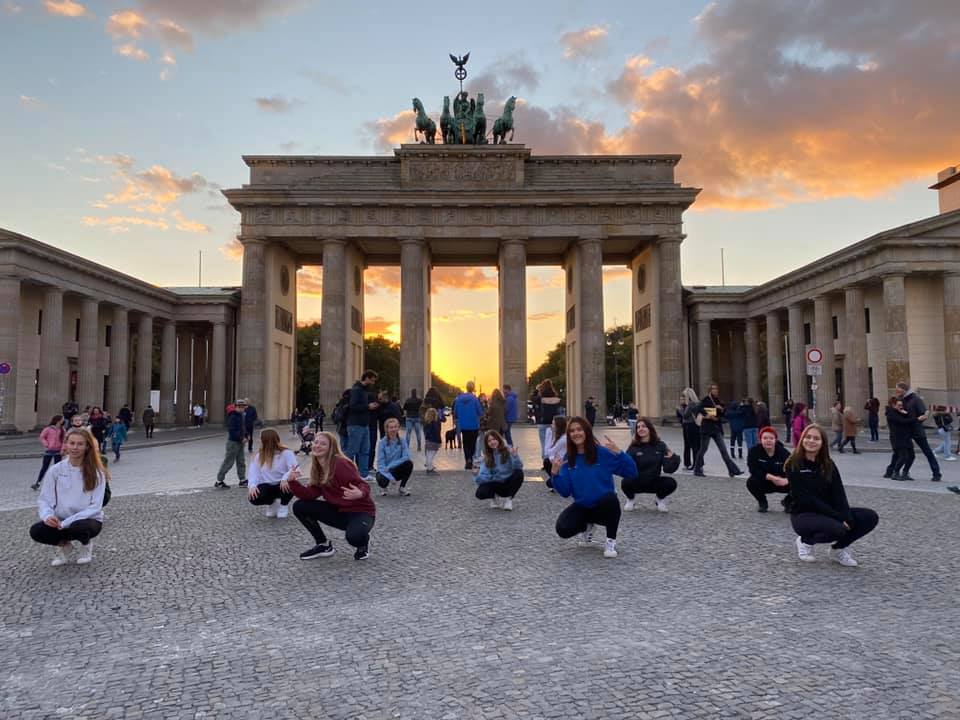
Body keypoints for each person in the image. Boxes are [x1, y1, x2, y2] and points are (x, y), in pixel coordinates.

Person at [787, 424, 879, 566]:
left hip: (828, 512)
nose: (811, 441)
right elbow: (808, 499)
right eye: (808, 437)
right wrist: (838, 517)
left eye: (816, 438)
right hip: (803, 514)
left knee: (869, 517)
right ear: (802, 439)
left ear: (822, 443)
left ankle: (838, 549)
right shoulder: (793, 464)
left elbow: (838, 493)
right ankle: (805, 541)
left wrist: (847, 516)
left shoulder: (828, 464)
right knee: (838, 529)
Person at [549, 417, 638, 559]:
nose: (576, 433)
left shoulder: (602, 453)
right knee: (563, 529)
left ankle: (610, 541)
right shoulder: (568, 458)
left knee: (611, 499)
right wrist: (554, 474)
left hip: (604, 505)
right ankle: (587, 526)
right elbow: (565, 492)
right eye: (572, 431)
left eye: (579, 429)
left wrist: (620, 453)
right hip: (583, 506)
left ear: (587, 432)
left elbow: (632, 473)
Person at [283, 431, 375, 561]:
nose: (317, 446)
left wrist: (360, 493)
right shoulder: (319, 468)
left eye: (323, 444)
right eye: (316, 442)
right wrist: (292, 482)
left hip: (360, 511)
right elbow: (309, 495)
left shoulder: (341, 464)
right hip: (339, 511)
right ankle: (323, 545)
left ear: (331, 448)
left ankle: (363, 543)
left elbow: (362, 484)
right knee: (300, 506)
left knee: (354, 538)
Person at [30, 427, 108, 566]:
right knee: (36, 531)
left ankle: (86, 544)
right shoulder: (56, 470)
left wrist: (68, 522)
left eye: (80, 444)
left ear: (87, 447)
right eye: (72, 443)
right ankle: (64, 544)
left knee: (79, 527)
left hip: (87, 520)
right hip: (60, 519)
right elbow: (45, 499)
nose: (75, 447)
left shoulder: (97, 473)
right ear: (66, 444)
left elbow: (95, 506)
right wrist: (47, 516)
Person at [623, 417, 679, 513]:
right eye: (638, 427)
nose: (641, 429)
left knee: (671, 483)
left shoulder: (660, 445)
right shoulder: (633, 447)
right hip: (637, 481)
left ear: (650, 428)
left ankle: (660, 499)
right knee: (625, 482)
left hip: (654, 481)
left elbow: (668, 469)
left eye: (643, 426)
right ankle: (630, 499)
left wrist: (674, 459)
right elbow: (626, 465)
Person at [692, 384, 743, 477]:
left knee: (723, 450)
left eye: (716, 389)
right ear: (710, 390)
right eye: (713, 389)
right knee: (703, 449)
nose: (715, 391)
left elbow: (722, 413)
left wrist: (721, 409)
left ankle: (733, 470)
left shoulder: (718, 400)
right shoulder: (706, 399)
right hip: (706, 429)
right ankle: (697, 469)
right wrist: (708, 415)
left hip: (716, 428)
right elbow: (698, 408)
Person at [247, 428, 298, 518]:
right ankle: (272, 502)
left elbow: (295, 469)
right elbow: (253, 473)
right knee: (253, 497)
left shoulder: (286, 453)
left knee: (290, 485)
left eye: (260, 439)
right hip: (267, 485)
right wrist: (252, 486)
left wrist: (285, 478)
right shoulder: (259, 456)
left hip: (282, 484)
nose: (259, 441)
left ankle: (283, 505)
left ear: (266, 441)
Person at [896, 382, 941, 481]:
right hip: (906, 431)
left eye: (898, 389)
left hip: (916, 430)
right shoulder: (901, 400)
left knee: (927, 452)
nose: (896, 391)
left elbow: (923, 415)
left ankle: (936, 473)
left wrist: (917, 420)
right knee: (907, 453)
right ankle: (903, 472)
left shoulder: (916, 400)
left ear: (904, 389)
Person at [474, 430, 524, 510]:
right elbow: (484, 475)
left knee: (519, 473)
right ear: (487, 444)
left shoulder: (508, 450)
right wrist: (477, 475)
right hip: (496, 483)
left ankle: (509, 499)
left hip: (508, 481)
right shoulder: (487, 457)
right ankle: (493, 497)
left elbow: (518, 466)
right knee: (480, 493)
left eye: (494, 439)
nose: (492, 442)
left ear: (499, 439)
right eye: (489, 441)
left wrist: (515, 456)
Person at [344, 370, 379, 480]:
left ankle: (363, 475)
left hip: (364, 424)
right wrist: (368, 407)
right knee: (352, 451)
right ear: (367, 378)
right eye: (372, 380)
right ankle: (345, 474)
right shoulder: (356, 390)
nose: (373, 383)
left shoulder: (364, 391)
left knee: (365, 450)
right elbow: (352, 407)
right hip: (355, 425)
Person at [745, 426, 790, 512]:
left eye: (771, 438)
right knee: (751, 482)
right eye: (765, 438)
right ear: (760, 439)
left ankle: (788, 501)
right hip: (764, 481)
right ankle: (762, 502)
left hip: (782, 482)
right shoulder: (754, 451)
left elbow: (793, 469)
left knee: (799, 482)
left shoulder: (784, 453)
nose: (768, 440)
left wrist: (786, 480)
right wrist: (772, 478)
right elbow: (753, 470)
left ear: (775, 440)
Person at [374, 417, 413, 496]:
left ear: (398, 428)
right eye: (391, 427)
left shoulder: (402, 441)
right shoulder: (382, 443)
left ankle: (402, 488)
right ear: (387, 429)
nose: (393, 429)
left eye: (395, 427)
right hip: (384, 470)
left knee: (409, 463)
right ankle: (384, 488)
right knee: (382, 481)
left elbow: (406, 457)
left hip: (395, 469)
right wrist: (390, 477)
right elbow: (380, 463)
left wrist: (391, 466)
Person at [215, 400, 247, 489]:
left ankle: (242, 480)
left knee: (241, 461)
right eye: (240, 407)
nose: (242, 408)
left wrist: (246, 436)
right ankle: (219, 481)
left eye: (243, 407)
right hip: (233, 443)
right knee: (228, 462)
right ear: (236, 407)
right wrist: (241, 438)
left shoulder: (240, 416)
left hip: (240, 442)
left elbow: (242, 428)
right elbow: (232, 431)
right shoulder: (233, 417)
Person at [453, 381, 483, 470]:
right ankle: (471, 458)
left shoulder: (458, 398)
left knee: (465, 443)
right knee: (473, 443)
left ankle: (468, 460)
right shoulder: (474, 398)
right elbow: (480, 412)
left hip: (464, 425)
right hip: (474, 425)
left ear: (466, 387)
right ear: (473, 388)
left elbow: (455, 412)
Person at [883, 397, 916, 481]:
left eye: (902, 405)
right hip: (897, 438)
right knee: (903, 456)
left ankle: (905, 472)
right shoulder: (891, 413)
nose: (901, 406)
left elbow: (907, 420)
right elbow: (902, 421)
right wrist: (915, 419)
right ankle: (895, 473)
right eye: (899, 405)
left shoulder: (901, 412)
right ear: (893, 405)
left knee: (911, 456)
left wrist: (906, 414)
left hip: (906, 437)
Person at [33, 415, 64, 491]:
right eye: (62, 419)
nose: (63, 421)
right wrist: (47, 444)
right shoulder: (48, 429)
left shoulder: (62, 430)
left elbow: (64, 440)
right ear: (58, 420)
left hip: (58, 451)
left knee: (58, 468)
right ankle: (38, 482)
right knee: (44, 467)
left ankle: (57, 484)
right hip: (49, 450)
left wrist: (63, 449)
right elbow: (42, 437)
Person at [536, 380, 562, 456]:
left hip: (543, 422)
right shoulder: (556, 398)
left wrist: (537, 389)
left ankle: (545, 460)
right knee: (553, 441)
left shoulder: (540, 398)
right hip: (554, 423)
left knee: (544, 442)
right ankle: (552, 458)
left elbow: (532, 398)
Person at [542, 415, 568, 490]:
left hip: (563, 463)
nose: (551, 425)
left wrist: (549, 434)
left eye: (553, 424)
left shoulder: (563, 438)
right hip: (557, 460)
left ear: (558, 426)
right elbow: (548, 452)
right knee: (546, 461)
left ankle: (557, 481)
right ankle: (556, 481)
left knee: (549, 483)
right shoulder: (557, 436)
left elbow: (549, 451)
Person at [678, 388, 701, 471]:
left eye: (685, 396)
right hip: (695, 426)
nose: (683, 398)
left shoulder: (690, 404)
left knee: (693, 446)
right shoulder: (698, 403)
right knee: (696, 446)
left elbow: (685, 415)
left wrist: (680, 409)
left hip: (690, 426)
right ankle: (697, 463)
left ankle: (695, 464)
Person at [423, 407, 441, 473]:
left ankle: (429, 466)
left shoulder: (426, 423)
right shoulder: (435, 423)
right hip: (434, 441)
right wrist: (439, 441)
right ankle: (430, 468)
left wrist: (426, 439)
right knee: (431, 455)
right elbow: (437, 433)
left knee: (428, 454)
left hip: (428, 440)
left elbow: (425, 432)